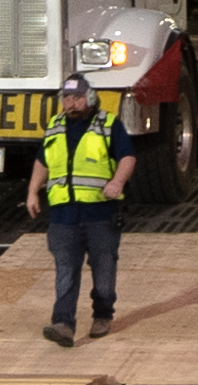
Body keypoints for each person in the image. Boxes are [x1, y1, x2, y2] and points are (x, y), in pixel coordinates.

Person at [26, 83, 130, 347]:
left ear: (91, 98)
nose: (71, 103)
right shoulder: (55, 125)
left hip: (100, 214)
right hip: (63, 216)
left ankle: (103, 313)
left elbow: (128, 157)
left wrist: (117, 182)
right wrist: (32, 192)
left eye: (78, 98)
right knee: (66, 271)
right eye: (67, 98)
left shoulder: (109, 125)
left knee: (104, 272)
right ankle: (63, 324)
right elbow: (43, 161)